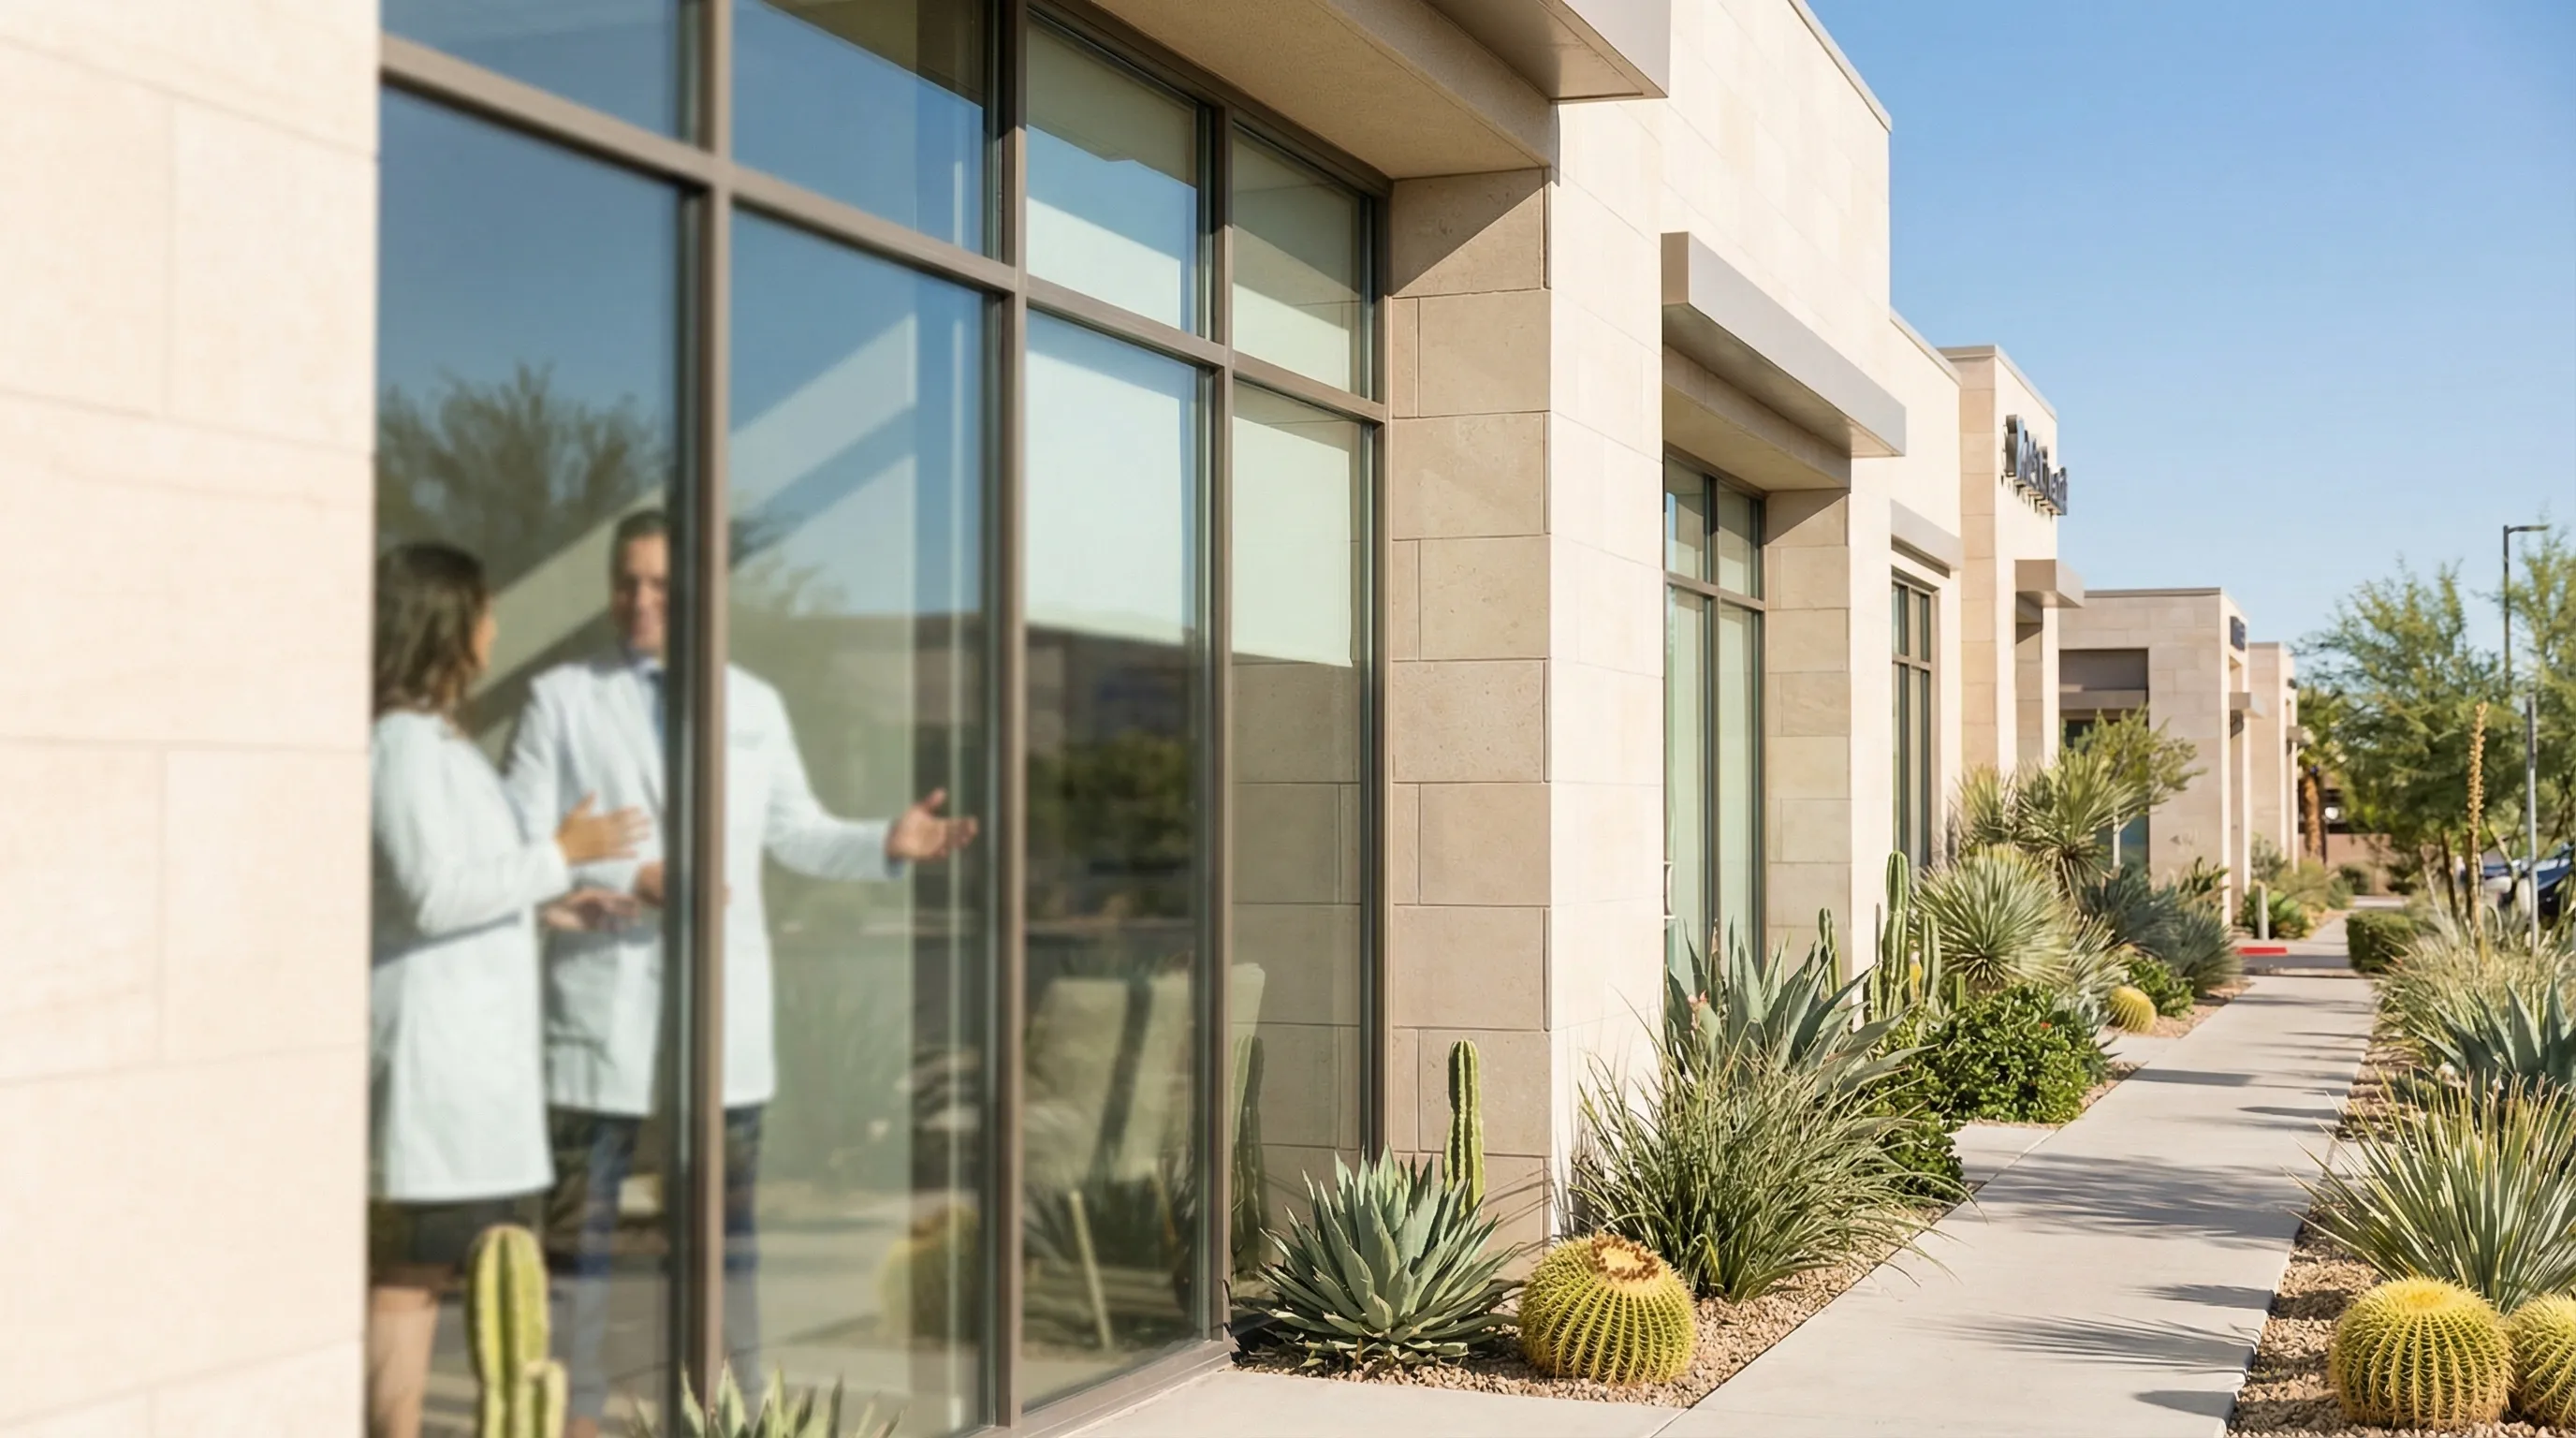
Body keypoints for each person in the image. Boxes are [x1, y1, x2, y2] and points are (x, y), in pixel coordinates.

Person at [505, 509, 976, 1433]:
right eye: (626, 581)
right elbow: (522, 843)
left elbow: (796, 832)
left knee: (727, 1253)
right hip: (598, 1016)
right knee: (578, 1253)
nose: (640, 599)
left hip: (720, 1029)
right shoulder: (561, 699)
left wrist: (883, 839)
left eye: (660, 583)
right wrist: (623, 876)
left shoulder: (751, 703)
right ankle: (571, 1420)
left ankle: (729, 1417)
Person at [366, 542, 648, 1438]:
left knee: (456, 1271)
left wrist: (553, 904)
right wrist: (559, 854)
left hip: (471, 1066)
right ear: (449, 626)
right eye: (484, 611)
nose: (495, 627)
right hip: (433, 1068)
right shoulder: (401, 746)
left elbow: (471, 885)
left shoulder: (441, 742)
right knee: (411, 1281)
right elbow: (431, 893)